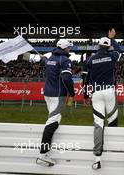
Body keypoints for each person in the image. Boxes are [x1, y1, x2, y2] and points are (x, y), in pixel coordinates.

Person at [84, 28, 121, 170]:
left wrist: (86, 95)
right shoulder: (112, 56)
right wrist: (112, 38)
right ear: (108, 46)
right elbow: (118, 51)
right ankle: (113, 152)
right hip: (109, 92)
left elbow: (86, 79)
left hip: (96, 93)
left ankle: (97, 158)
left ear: (99, 46)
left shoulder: (90, 59)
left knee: (99, 124)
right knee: (112, 120)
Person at [36, 39, 75, 167]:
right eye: (69, 47)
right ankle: (43, 155)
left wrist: (42, 59)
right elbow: (66, 78)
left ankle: (45, 153)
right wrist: (72, 93)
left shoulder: (50, 58)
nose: (70, 49)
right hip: (58, 95)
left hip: (48, 94)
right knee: (53, 121)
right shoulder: (65, 60)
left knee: (53, 119)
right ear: (64, 49)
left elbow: (45, 62)